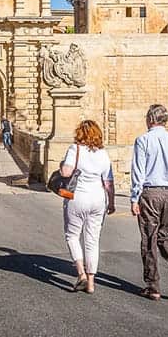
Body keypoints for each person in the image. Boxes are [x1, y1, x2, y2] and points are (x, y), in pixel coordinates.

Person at [130, 104, 168, 301]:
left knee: (149, 239)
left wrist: (134, 197)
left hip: (150, 193)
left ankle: (152, 285)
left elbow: (139, 171)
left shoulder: (143, 140)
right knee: (164, 235)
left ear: (150, 119)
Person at [60, 120, 115, 295]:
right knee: (92, 240)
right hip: (98, 199)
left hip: (77, 197)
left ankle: (81, 274)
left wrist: (62, 166)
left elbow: (66, 173)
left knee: (72, 236)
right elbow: (108, 182)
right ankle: (91, 282)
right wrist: (112, 202)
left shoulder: (75, 149)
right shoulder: (103, 154)